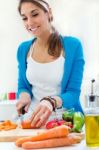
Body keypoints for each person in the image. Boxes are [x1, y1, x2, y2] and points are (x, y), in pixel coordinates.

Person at [16, 0, 85, 128]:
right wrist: (24, 96)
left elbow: (73, 93)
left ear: (49, 12)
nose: (29, 23)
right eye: (25, 18)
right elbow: (23, 86)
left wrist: (51, 102)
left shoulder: (73, 46)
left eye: (35, 14)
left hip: (66, 125)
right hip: (33, 123)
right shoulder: (23, 49)